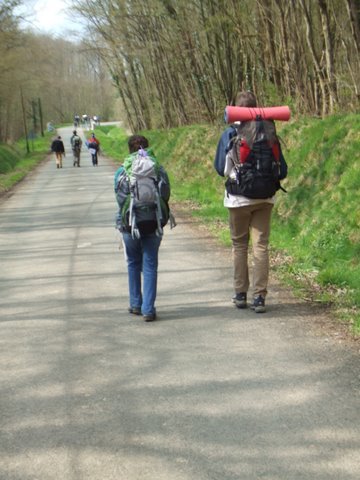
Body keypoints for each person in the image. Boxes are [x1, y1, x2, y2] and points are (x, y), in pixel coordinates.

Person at [214, 91, 288, 313]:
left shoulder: (230, 133)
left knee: (239, 245)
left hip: (238, 199)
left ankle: (240, 294)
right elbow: (282, 170)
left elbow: (220, 169)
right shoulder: (269, 130)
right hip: (265, 198)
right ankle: (259, 298)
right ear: (256, 107)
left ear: (237, 108)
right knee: (261, 246)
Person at [114, 135, 169, 322]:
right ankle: (148, 309)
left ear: (129, 150)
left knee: (133, 263)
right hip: (153, 222)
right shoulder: (158, 169)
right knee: (150, 264)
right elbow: (165, 194)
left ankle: (136, 304)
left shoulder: (122, 171)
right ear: (148, 147)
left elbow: (120, 200)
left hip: (130, 224)